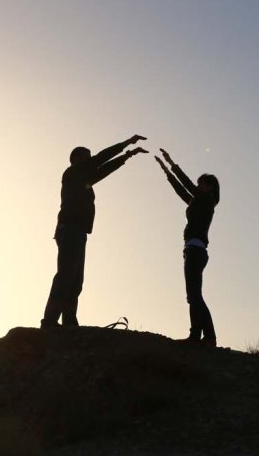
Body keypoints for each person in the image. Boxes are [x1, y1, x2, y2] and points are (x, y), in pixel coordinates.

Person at [41, 135, 148, 328]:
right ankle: (49, 320)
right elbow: (101, 159)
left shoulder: (84, 178)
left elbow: (104, 169)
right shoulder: (72, 173)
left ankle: (69, 321)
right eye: (87, 158)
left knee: (75, 279)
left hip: (78, 230)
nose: (91, 161)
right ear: (77, 159)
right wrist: (126, 144)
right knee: (66, 275)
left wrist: (127, 156)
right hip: (70, 229)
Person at [154, 148, 220, 347]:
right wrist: (166, 171)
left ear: (209, 187)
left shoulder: (207, 201)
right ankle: (196, 336)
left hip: (196, 250)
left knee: (194, 295)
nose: (198, 185)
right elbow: (182, 191)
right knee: (193, 295)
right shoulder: (199, 201)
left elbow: (187, 185)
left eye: (201, 183)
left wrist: (171, 163)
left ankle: (208, 336)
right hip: (192, 250)